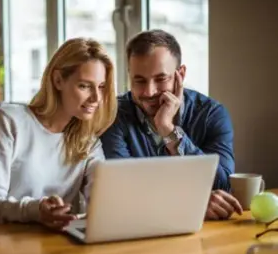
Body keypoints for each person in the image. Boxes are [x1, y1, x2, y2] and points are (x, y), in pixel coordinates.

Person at [0, 38, 117, 230]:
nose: (96, 98)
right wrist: (35, 210)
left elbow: (102, 200)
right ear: (58, 80)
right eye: (85, 86)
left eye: (101, 87)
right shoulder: (10, 121)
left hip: (47, 246)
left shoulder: (89, 143)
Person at [100, 29, 243, 220]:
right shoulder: (113, 114)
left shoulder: (212, 114)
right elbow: (122, 190)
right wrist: (192, 201)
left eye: (161, 79)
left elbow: (224, 186)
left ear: (180, 74)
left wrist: (168, 130)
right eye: (139, 80)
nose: (149, 92)